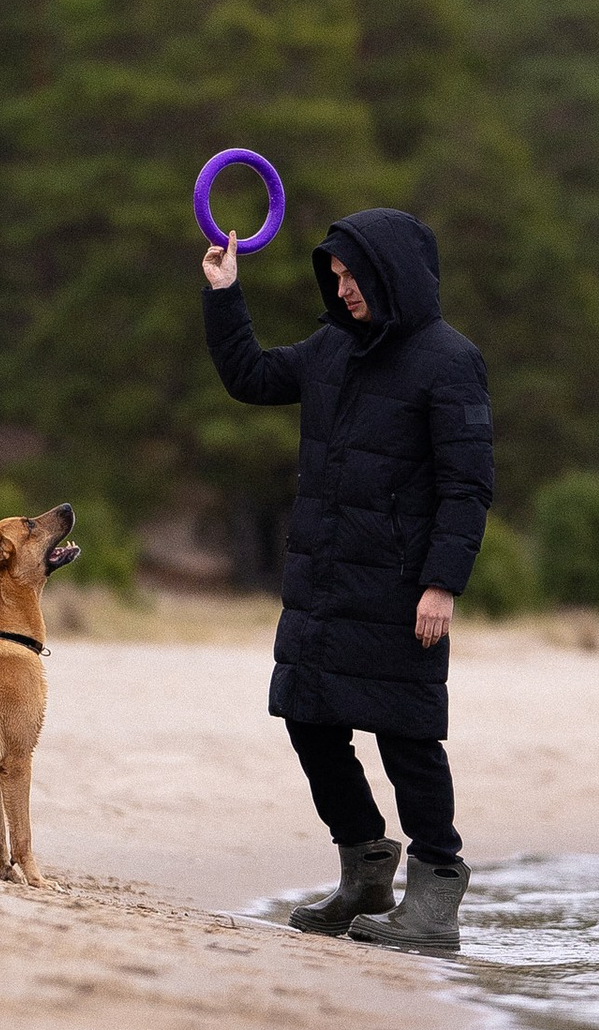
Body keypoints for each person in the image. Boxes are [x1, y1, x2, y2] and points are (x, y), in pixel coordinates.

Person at [201, 203, 493, 955]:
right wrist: (225, 294)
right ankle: (365, 871)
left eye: (352, 274)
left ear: (388, 272)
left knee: (408, 738)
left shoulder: (450, 359)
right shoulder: (332, 347)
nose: (342, 288)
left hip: (403, 589)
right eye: (333, 276)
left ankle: (435, 897)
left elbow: (466, 487)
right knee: (308, 717)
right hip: (323, 581)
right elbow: (251, 376)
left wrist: (442, 584)